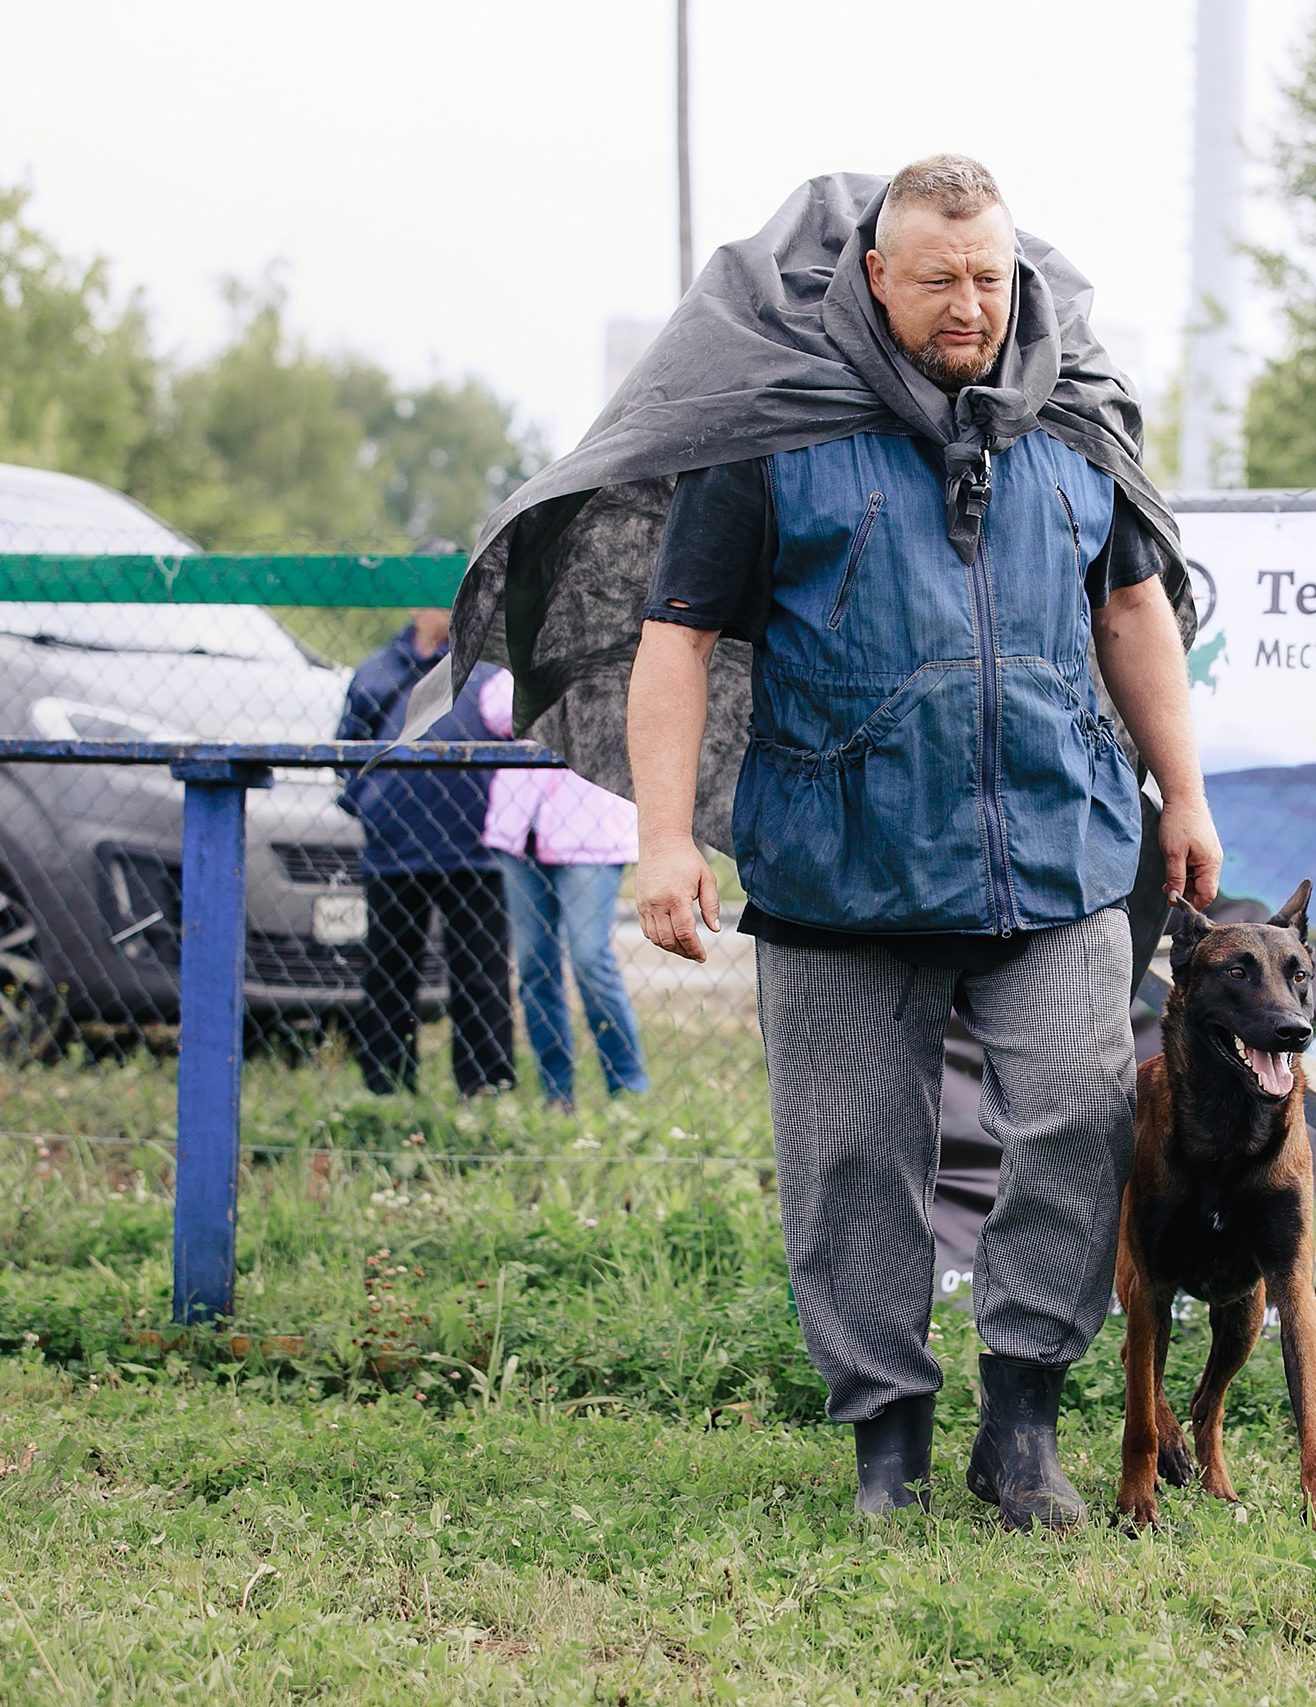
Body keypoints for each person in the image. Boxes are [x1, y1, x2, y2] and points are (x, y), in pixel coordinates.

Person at [619, 158, 1219, 1527]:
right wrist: (663, 834)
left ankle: (1023, 1428)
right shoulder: (771, 423)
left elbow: (1132, 612)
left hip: (1057, 847)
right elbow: (678, 639)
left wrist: (1184, 793)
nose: (970, 305)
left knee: (1079, 1114)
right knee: (851, 1159)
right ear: (875, 275)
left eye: (990, 278)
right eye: (940, 279)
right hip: (840, 861)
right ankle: (885, 1441)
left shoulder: (1074, 421)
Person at [336, 609, 516, 1098]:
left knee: (481, 973)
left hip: (475, 849)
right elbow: (346, 747)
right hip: (393, 847)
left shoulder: (489, 671)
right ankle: (386, 1085)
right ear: (414, 605)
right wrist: (370, 805)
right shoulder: (377, 671)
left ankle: (486, 1086)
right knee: (389, 969)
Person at [477, 667, 650, 1111]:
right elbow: (495, 708)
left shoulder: (615, 649)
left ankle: (628, 1091)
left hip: (592, 835)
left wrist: (545, 695)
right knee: (534, 966)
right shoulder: (525, 651)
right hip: (520, 830)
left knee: (590, 959)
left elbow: (612, 709)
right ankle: (557, 1094)